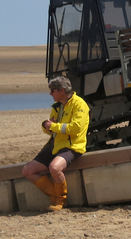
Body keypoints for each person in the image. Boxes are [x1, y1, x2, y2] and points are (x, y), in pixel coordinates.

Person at [22, 76, 89, 211]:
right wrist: (46, 125)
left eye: (52, 91)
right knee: (27, 171)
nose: (50, 94)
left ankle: (60, 200)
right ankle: (53, 195)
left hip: (72, 146)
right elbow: (51, 128)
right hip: (55, 145)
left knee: (54, 168)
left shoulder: (79, 104)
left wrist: (53, 126)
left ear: (62, 90)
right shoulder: (58, 106)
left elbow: (75, 129)